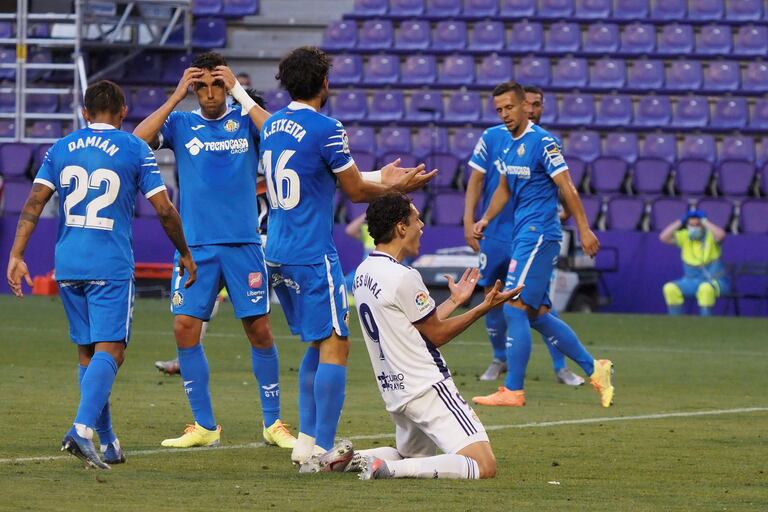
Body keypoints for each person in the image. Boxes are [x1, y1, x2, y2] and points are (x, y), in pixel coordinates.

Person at [6, 80, 197, 469]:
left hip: (69, 263)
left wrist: (16, 254)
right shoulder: (135, 149)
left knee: (88, 352)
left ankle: (108, 442)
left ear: (84, 113)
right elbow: (163, 209)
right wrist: (185, 253)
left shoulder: (60, 148)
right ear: (124, 112)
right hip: (108, 265)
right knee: (112, 350)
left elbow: (34, 202)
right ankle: (81, 430)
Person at [260, 46, 435, 464]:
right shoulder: (328, 128)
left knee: (317, 342)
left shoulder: (272, 126)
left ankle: (304, 441)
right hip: (312, 252)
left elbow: (327, 179)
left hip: (277, 251)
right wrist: (397, 189)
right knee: (337, 344)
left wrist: (381, 179)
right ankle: (322, 448)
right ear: (325, 82)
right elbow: (354, 190)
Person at [133, 51, 296, 449]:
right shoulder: (181, 122)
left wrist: (240, 91)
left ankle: (273, 424)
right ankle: (204, 426)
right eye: (201, 86)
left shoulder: (245, 121)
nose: (209, 93)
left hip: (243, 245)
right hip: (195, 248)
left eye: (216, 85)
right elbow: (137, 142)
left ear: (226, 85)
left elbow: (276, 132)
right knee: (185, 329)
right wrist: (175, 97)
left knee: (259, 330)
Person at [302, 193, 518, 479]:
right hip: (426, 386)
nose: (422, 225)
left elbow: (415, 324)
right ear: (401, 227)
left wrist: (454, 302)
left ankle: (343, 459)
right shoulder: (403, 276)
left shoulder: (364, 272)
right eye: (416, 219)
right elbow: (436, 335)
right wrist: (483, 307)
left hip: (396, 392)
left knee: (413, 455)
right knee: (483, 465)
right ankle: (387, 469)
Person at [472, 81, 614, 408]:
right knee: (536, 314)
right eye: (499, 110)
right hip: (524, 233)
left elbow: (567, 187)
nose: (505, 114)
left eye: (509, 107)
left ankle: (512, 390)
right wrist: (486, 219)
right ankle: (596, 369)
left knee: (513, 306)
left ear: (525, 105)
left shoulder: (543, 142)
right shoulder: (507, 143)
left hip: (539, 233)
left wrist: (584, 229)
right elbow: (504, 189)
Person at [463, 84, 583, 386]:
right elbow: (478, 180)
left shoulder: (543, 142)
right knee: (495, 295)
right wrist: (472, 220)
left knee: (532, 304)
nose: (530, 109)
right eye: (525, 104)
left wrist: (573, 217)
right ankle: (499, 359)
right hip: (497, 233)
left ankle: (557, 368)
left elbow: (561, 184)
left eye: (536, 104)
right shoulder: (495, 138)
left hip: (531, 232)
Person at [153, 88, 268, 376]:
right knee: (194, 314)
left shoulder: (259, 141)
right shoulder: (188, 125)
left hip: (260, 240)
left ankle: (319, 349)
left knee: (260, 324)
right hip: (213, 240)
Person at [660, 210, 728, 316]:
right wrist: (680, 222)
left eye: (697, 225)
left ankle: (706, 324)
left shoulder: (711, 236)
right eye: (691, 225)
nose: (694, 228)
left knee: (705, 289)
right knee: (670, 288)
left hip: (716, 283)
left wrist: (705, 222)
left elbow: (721, 235)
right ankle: (675, 323)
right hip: (691, 281)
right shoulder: (685, 237)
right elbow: (663, 237)